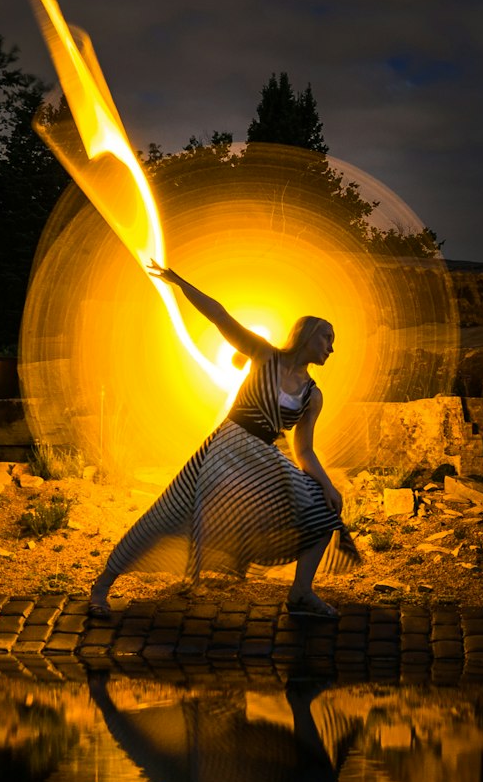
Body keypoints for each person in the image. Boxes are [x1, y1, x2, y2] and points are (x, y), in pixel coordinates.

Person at [88, 262, 358, 618]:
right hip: (224, 448)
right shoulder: (264, 355)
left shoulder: (313, 395)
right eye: (328, 339)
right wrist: (178, 280)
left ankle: (300, 593)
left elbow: (303, 450)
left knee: (323, 512)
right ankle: (102, 585)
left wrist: (327, 485)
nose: (331, 348)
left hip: (264, 459)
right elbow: (219, 315)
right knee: (168, 513)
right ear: (308, 335)